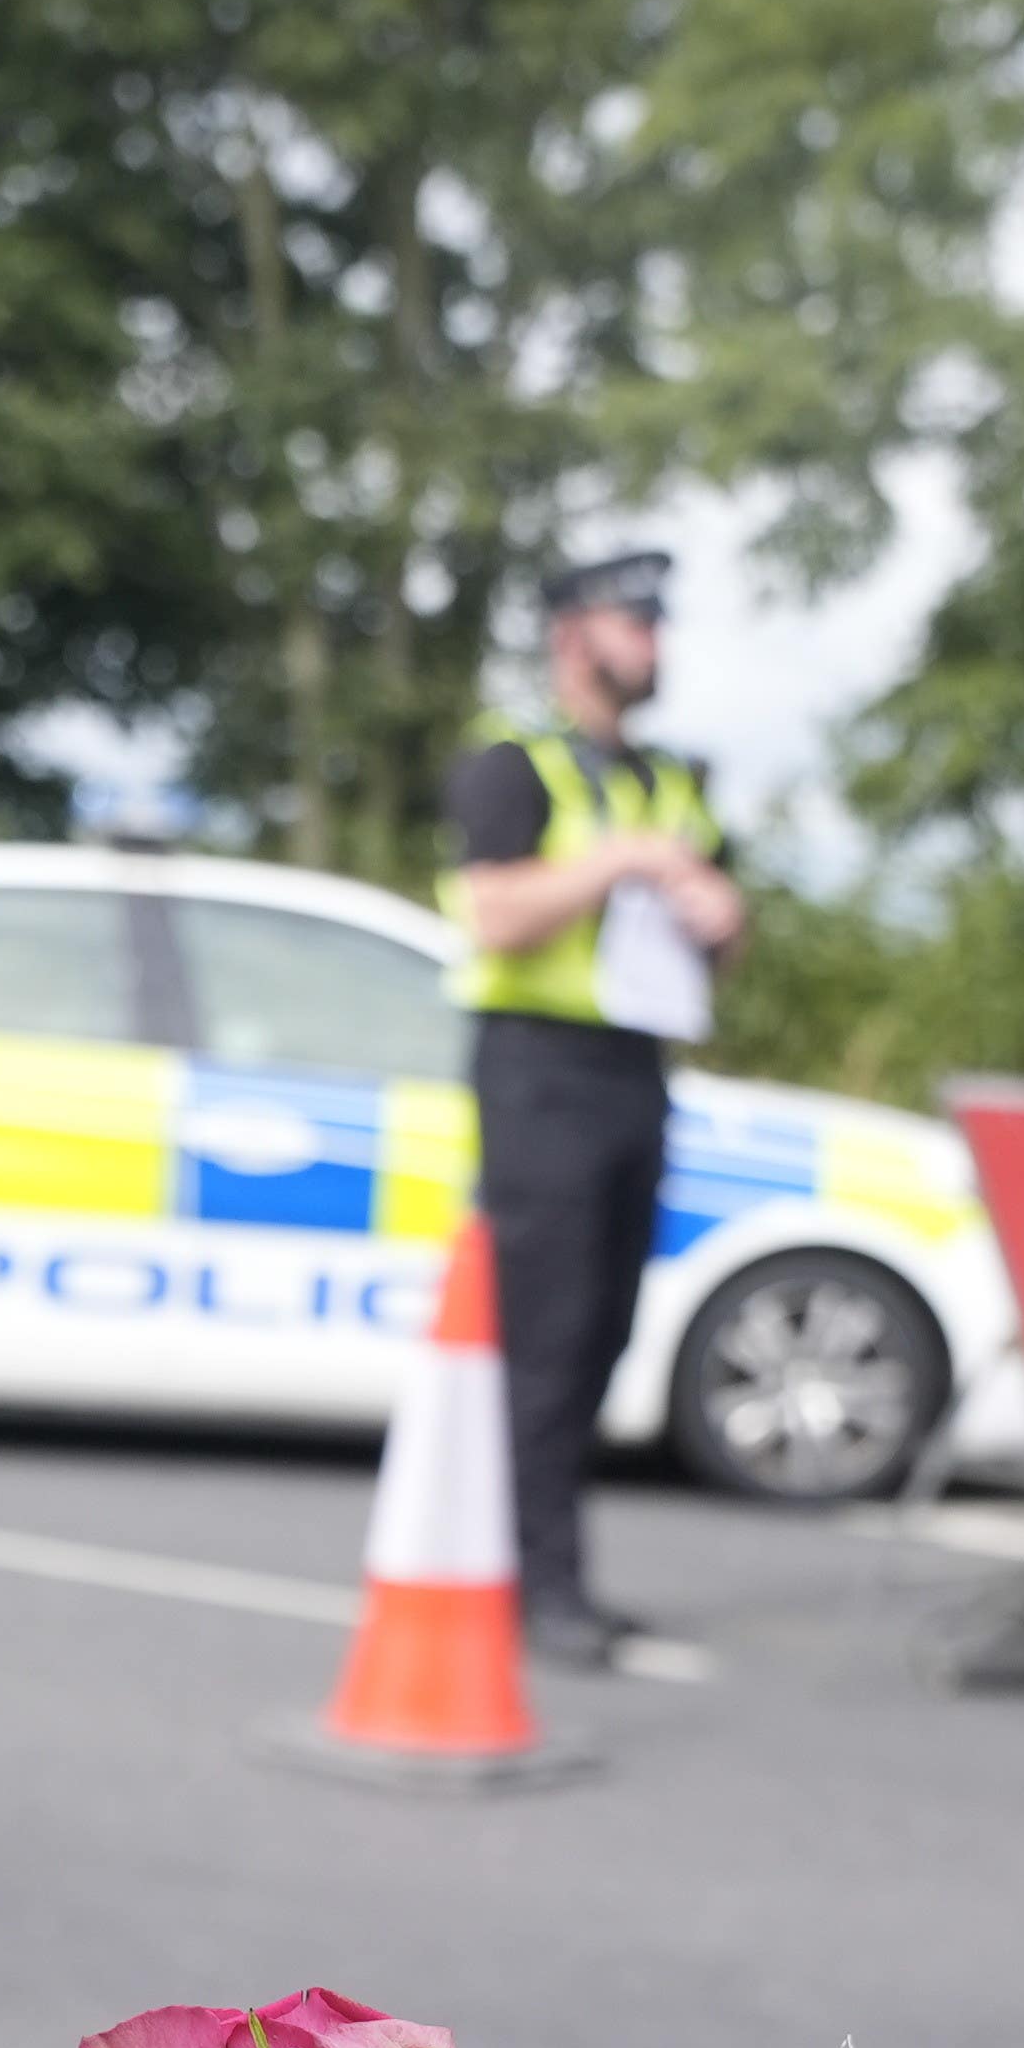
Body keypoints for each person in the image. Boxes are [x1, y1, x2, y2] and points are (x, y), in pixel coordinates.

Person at [442, 550, 743, 1670]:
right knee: (550, 1332)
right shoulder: (510, 768)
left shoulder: (676, 782)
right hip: (538, 1070)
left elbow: (720, 933)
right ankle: (538, 1579)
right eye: (634, 625)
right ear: (572, 637)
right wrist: (621, 863)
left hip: (637, 1069)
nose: (654, 647)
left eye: (660, 627)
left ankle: (553, 1565)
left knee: (607, 1327)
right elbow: (496, 915)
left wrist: (717, 904)